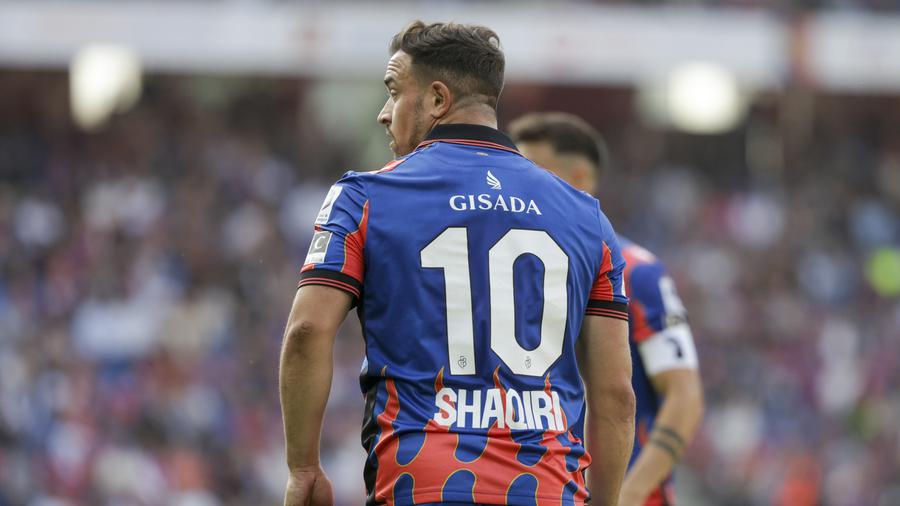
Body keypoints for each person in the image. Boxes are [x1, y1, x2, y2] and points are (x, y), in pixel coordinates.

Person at [280, 22, 635, 506]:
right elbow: (616, 395)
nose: (384, 113)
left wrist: (303, 469)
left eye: (394, 92)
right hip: (548, 488)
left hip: (421, 484)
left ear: (436, 99)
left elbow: (306, 331)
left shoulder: (363, 197)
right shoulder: (587, 217)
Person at [509, 112, 704, 506]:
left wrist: (627, 494)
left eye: (534, 173)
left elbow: (685, 396)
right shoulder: (515, 270)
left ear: (580, 178)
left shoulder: (637, 272)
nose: (520, 187)